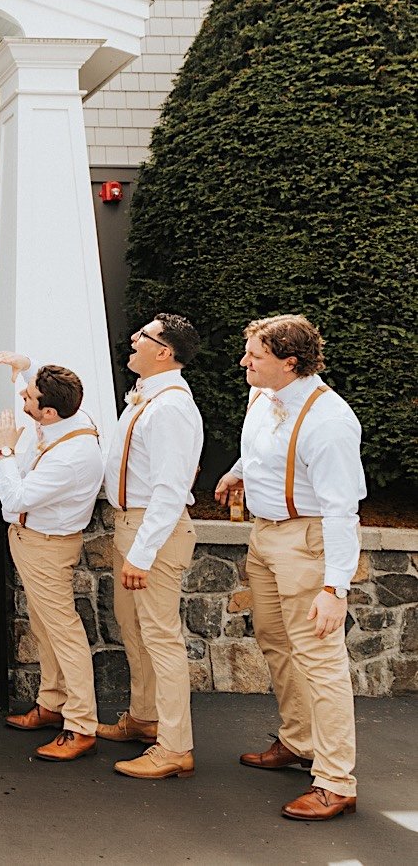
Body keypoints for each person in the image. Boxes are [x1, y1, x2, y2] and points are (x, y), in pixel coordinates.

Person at [215, 314, 364, 821]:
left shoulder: (330, 421)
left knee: (321, 661)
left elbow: (343, 510)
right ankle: (299, 741)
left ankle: (336, 780)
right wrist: (239, 473)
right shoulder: (263, 394)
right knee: (276, 644)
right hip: (264, 535)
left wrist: (334, 587)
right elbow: (261, 451)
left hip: (308, 542)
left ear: (290, 363)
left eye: (254, 356)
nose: (244, 362)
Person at [99, 315, 204, 780]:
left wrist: (141, 553)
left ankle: (175, 746)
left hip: (152, 533)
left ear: (164, 351)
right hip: (131, 527)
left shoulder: (171, 408)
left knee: (161, 637)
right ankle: (144, 717)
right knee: (133, 628)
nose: (133, 340)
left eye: (142, 336)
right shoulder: (148, 397)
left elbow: (168, 488)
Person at [0, 354, 104, 762]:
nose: (23, 397)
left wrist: (5, 451)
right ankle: (52, 702)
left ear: (50, 411)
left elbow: (16, 499)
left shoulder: (70, 456)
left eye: (31, 397)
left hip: (47, 545)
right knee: (44, 627)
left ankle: (80, 725)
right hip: (34, 540)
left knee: (64, 633)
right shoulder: (67, 416)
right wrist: (24, 367)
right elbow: (38, 390)